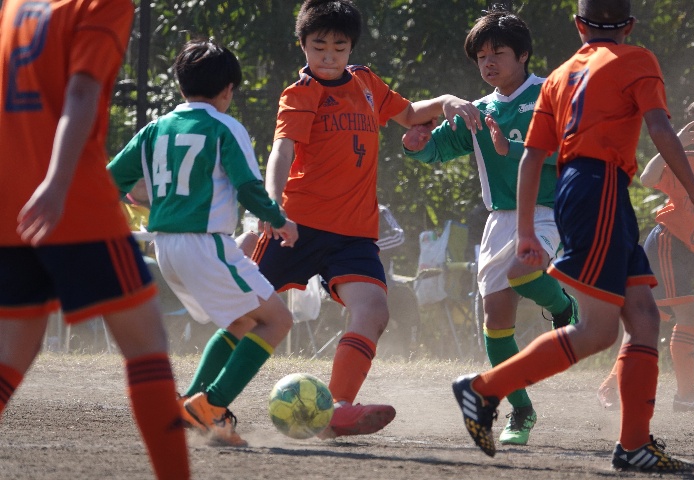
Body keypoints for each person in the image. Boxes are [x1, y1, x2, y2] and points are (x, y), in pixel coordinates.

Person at [451, 0, 694, 473]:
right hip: (598, 188)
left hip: (589, 191)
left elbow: (531, 158)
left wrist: (528, 230)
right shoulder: (637, 59)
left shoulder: (559, 76)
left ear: (578, 26)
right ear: (629, 26)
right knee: (598, 330)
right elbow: (660, 127)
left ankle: (633, 444)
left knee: (644, 318)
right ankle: (484, 390)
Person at [252, 0, 482, 439]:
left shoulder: (366, 83)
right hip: (297, 224)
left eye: (339, 48)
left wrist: (446, 101)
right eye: (319, 46)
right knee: (248, 309)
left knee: (374, 310)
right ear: (302, 45)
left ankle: (336, 409)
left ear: (351, 47)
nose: (328, 56)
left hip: (353, 233)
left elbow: (410, 114)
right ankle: (207, 398)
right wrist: (271, 204)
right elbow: (282, 150)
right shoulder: (299, 93)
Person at [0, 0, 189, 478]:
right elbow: (81, 90)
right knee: (146, 341)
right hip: (71, 200)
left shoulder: (16, 5)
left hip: (11, 199)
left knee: (13, 348)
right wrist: (58, 182)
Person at [108, 38, 299, 447]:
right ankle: (211, 405)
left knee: (242, 322)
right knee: (277, 320)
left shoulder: (154, 129)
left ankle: (187, 406)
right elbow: (247, 186)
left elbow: (110, 181)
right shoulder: (224, 126)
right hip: (205, 244)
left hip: (165, 247)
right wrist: (278, 219)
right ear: (228, 89)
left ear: (180, 85)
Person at [402, 9, 578, 446]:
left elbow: (572, 152)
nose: (488, 62)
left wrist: (514, 148)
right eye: (481, 56)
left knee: (523, 271)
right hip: (500, 219)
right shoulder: (477, 111)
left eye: (498, 52)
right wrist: (417, 145)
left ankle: (563, 307)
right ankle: (521, 410)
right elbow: (437, 148)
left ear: (523, 54)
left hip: (549, 211)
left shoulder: (551, 93)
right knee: (496, 321)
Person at [597, 93, 694, 412]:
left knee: (649, 322)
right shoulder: (687, 159)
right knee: (689, 315)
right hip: (667, 244)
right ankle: (685, 395)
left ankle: (610, 386)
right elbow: (648, 178)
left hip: (689, 255)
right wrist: (673, 145)